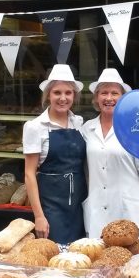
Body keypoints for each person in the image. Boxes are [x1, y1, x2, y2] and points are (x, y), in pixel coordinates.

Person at [81, 68, 139, 246]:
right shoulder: (86, 129)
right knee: (100, 266)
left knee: (134, 268)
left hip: (130, 214)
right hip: (97, 214)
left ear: (123, 98)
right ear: (96, 98)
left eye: (114, 93)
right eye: (104, 93)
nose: (109, 98)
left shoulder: (135, 131)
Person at [23, 64, 87, 244]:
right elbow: (29, 174)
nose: (63, 98)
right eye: (57, 92)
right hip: (51, 208)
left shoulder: (79, 123)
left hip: (79, 206)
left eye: (68, 93)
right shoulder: (35, 127)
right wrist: (39, 216)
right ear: (48, 95)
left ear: (74, 95)